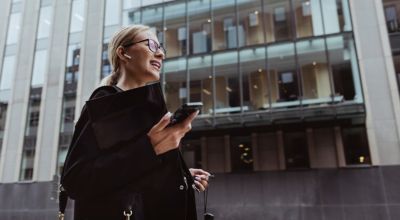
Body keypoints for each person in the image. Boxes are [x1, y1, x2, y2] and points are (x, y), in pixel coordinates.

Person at [60, 24, 211, 220]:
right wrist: (152, 147)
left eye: (161, 49)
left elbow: (132, 176)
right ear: (123, 53)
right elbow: (76, 179)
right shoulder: (106, 101)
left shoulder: (142, 109)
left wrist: (180, 176)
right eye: (151, 45)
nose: (161, 55)